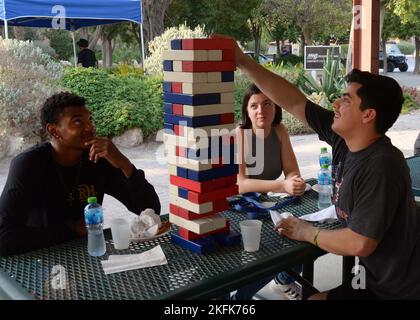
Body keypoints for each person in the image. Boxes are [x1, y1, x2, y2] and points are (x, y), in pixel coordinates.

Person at [218, 35, 420, 300]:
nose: (335, 103)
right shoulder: (345, 140)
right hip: (372, 279)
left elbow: (360, 242)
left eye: (346, 100)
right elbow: (292, 101)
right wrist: (243, 62)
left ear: (368, 115)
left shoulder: (381, 164)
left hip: (397, 291)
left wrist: (307, 231)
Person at [0, 92, 161, 256]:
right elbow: (3, 237)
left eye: (90, 120)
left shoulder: (97, 159)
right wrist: (72, 229)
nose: (90, 127)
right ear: (54, 131)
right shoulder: (29, 165)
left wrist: (123, 163)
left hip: (88, 255)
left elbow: (150, 210)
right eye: (78, 121)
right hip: (40, 258)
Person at [229, 84, 305, 300]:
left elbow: (292, 171)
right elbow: (240, 184)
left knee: (298, 237)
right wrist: (282, 186)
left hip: (268, 204)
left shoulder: (280, 131)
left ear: (275, 107)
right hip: (239, 207)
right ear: (247, 111)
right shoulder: (241, 134)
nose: (260, 110)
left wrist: (294, 182)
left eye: (266, 104)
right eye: (254, 106)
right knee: (269, 252)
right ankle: (239, 299)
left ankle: (282, 282)